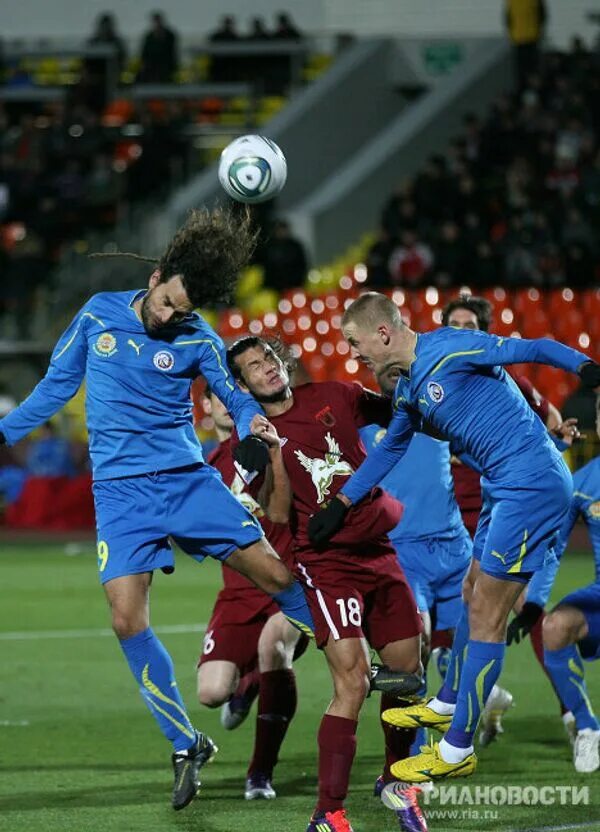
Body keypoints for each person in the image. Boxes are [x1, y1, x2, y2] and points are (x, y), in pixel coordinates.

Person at [0, 206, 314, 810]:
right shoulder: (97, 315)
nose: (170, 316)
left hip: (185, 481)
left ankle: (345, 646)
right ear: (156, 278)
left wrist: (251, 429)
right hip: (120, 493)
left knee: (276, 575)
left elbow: (237, 399)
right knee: (126, 620)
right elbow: (55, 388)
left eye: (183, 310)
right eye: (168, 302)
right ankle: (185, 741)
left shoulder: (199, 337)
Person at [308, 291, 600, 782]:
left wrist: (586, 367)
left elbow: (535, 346)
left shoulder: (451, 347)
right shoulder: (407, 389)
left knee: (486, 613)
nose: (354, 354)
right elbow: (387, 451)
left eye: (356, 343)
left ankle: (456, 748)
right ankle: (447, 703)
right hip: (502, 487)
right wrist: (340, 503)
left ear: (382, 332)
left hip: (532, 481)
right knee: (471, 592)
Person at [226, 336, 426, 832]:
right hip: (326, 562)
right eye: (253, 367)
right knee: (353, 681)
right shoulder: (250, 440)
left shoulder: (335, 394)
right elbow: (275, 513)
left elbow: (400, 409)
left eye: (268, 358)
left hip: (379, 550)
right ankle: (327, 812)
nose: (267, 369)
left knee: (408, 672)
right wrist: (273, 453)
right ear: (242, 384)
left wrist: (401, 372)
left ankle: (396, 781)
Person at [443, 293, 580, 743]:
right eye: (453, 324)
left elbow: (552, 419)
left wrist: (555, 438)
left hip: (503, 501)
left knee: (521, 605)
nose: (461, 331)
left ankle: (573, 711)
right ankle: (467, 704)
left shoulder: (506, 381)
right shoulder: (436, 376)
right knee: (462, 604)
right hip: (451, 512)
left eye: (469, 325)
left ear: (484, 332)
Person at [197, 385, 305, 800]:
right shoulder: (206, 465)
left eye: (233, 397)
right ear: (206, 406)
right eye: (217, 397)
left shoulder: (271, 447)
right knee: (211, 693)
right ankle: (249, 685)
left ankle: (260, 773)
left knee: (274, 643)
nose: (225, 404)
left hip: (288, 582)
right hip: (238, 592)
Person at [518, 393, 600, 772]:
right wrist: (534, 602)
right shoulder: (582, 483)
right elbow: (553, 551)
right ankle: (587, 727)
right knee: (554, 628)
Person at [505, 0, 547, 89]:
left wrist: (511, 34)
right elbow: (542, 16)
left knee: (522, 70)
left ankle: (525, 89)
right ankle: (531, 88)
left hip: (520, 38)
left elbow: (508, 19)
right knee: (531, 68)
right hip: (531, 37)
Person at [262, 219, 309, 291]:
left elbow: (302, 264)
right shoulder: (270, 247)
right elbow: (267, 267)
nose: (282, 233)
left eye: (283, 230)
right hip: (275, 286)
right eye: (279, 230)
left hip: (294, 284)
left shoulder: (295, 246)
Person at [138, 12, 179, 83]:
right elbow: (145, 53)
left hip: (166, 66)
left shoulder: (169, 35)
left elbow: (171, 52)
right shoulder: (149, 36)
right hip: (152, 67)